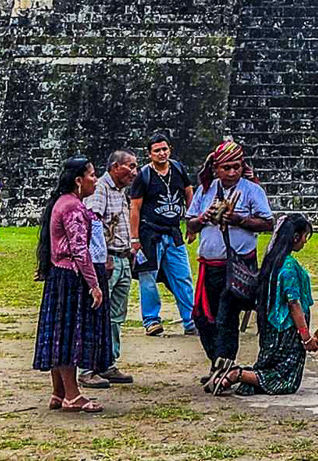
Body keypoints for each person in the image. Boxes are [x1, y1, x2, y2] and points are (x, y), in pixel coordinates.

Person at [188, 140, 273, 391]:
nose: (232, 172)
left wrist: (238, 220)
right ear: (216, 168)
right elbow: (190, 225)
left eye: (236, 167)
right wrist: (204, 218)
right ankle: (218, 364)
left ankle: (224, 370)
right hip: (209, 266)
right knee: (203, 318)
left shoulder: (251, 191)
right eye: (227, 168)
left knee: (226, 318)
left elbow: (267, 223)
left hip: (238, 266)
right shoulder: (205, 191)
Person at [32, 156, 108, 413]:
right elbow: (79, 250)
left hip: (59, 276)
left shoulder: (61, 203)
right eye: (92, 175)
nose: (95, 181)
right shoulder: (73, 207)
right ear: (79, 180)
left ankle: (59, 391)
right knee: (69, 336)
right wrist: (94, 284)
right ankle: (73, 395)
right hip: (71, 278)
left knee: (58, 335)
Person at [216, 213, 318, 395]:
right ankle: (237, 374)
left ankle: (228, 376)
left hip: (270, 329)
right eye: (305, 236)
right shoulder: (288, 267)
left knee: (268, 366)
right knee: (285, 378)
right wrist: (306, 337)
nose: (305, 241)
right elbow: (294, 303)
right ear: (295, 237)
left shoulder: (272, 261)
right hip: (286, 331)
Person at [130, 131, 196, 337]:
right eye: (157, 150)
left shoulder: (177, 168)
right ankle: (151, 320)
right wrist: (134, 238)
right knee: (147, 278)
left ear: (170, 149)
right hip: (150, 233)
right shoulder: (144, 176)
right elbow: (135, 208)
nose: (161, 153)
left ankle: (191, 320)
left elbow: (188, 191)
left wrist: (191, 223)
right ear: (149, 154)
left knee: (183, 276)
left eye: (164, 149)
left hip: (173, 231)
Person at [83, 150, 139, 387]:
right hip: (109, 261)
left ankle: (108, 362)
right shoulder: (102, 189)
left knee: (116, 316)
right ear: (115, 167)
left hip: (122, 259)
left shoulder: (120, 191)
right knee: (96, 314)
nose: (134, 172)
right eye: (131, 166)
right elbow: (93, 221)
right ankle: (87, 367)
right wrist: (103, 257)